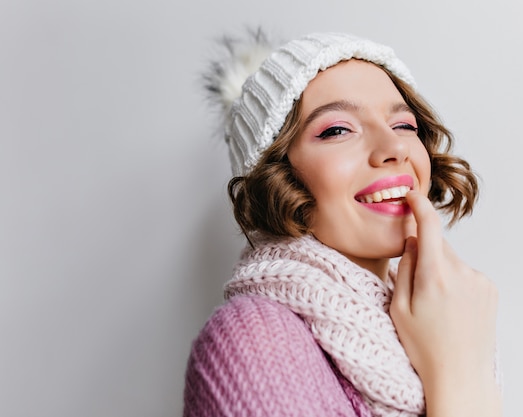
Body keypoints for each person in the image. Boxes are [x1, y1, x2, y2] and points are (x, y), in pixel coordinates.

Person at [183, 31, 501, 417]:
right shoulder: (254, 338)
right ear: (276, 178)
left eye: (404, 126)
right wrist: (462, 371)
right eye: (337, 130)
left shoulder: (441, 315)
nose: (395, 148)